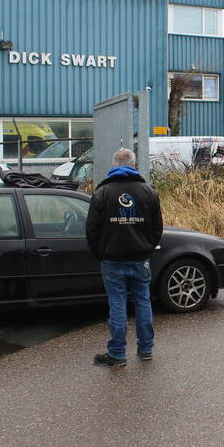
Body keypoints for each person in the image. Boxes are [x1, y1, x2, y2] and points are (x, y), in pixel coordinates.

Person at [85, 149, 163, 366]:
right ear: (134, 164)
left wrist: (100, 253)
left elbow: (91, 230)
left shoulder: (102, 192)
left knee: (118, 304)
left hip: (112, 259)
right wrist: (147, 248)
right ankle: (146, 349)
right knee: (143, 302)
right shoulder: (149, 192)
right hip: (140, 258)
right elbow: (158, 228)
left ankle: (117, 354)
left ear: (113, 164)